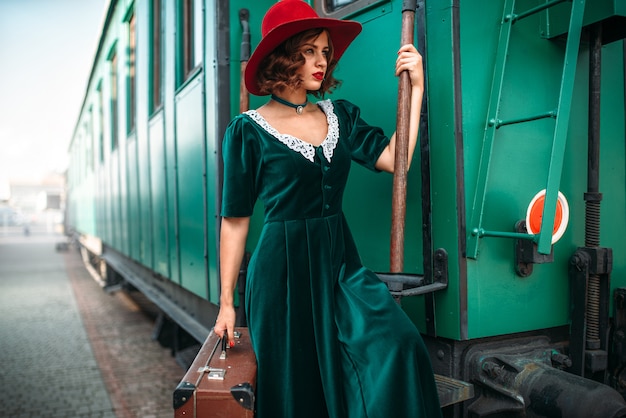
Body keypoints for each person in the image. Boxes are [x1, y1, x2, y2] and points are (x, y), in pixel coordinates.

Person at [214, 0, 442, 417]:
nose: (322, 61)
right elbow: (235, 221)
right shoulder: (247, 130)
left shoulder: (340, 115)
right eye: (309, 51)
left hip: (340, 266)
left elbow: (396, 159)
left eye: (324, 51)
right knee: (298, 393)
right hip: (281, 277)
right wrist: (226, 302)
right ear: (284, 57)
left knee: (399, 344)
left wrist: (418, 88)